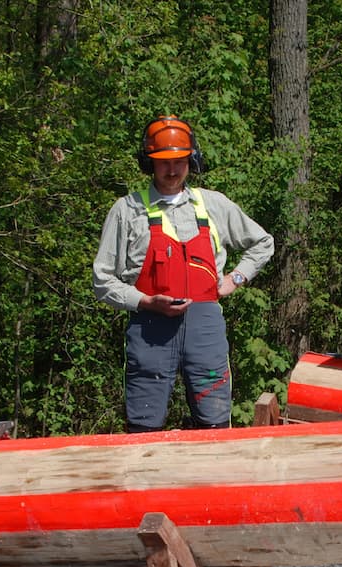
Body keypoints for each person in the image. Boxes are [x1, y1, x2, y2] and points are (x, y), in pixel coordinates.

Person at [92, 115, 274, 432]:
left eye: (179, 161)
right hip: (149, 328)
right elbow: (102, 281)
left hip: (205, 327)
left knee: (214, 420)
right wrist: (145, 301)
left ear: (192, 159)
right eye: (163, 163)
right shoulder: (127, 210)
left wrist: (236, 278)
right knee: (143, 425)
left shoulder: (213, 204)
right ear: (149, 162)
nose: (172, 170)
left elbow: (263, 242)